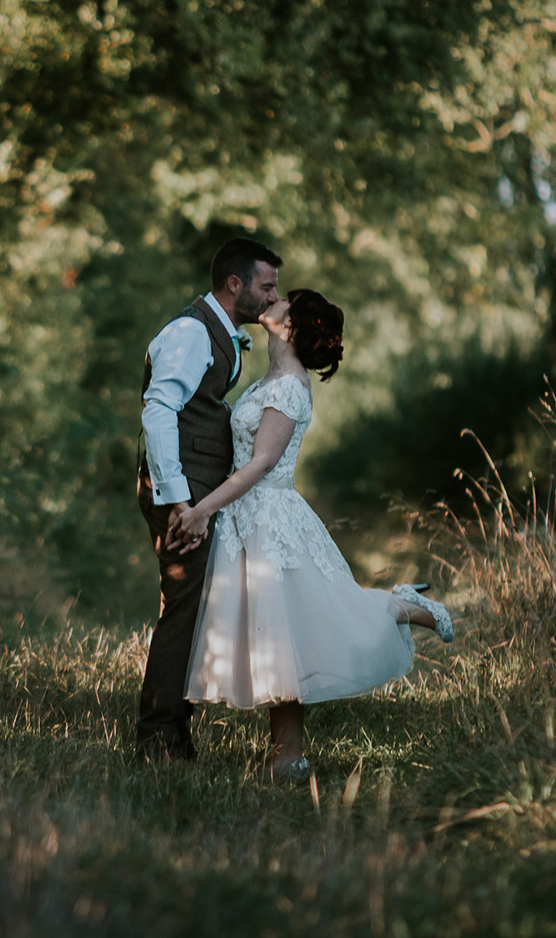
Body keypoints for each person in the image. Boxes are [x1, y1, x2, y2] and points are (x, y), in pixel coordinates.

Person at [171, 289, 454, 781]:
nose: (274, 299)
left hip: (270, 521)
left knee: (304, 629)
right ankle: (286, 759)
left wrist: (202, 510)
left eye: (284, 300)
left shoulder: (288, 388)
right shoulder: (270, 378)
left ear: (290, 327)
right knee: (277, 638)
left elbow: (260, 464)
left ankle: (406, 607)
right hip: (245, 520)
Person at [134, 237, 281, 763]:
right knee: (183, 610)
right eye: (266, 286)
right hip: (182, 491)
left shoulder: (219, 334)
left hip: (193, 489)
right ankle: (159, 741)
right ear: (234, 284)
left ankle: (168, 732)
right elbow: (158, 411)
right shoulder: (191, 332)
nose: (271, 297)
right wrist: (177, 500)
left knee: (187, 609)